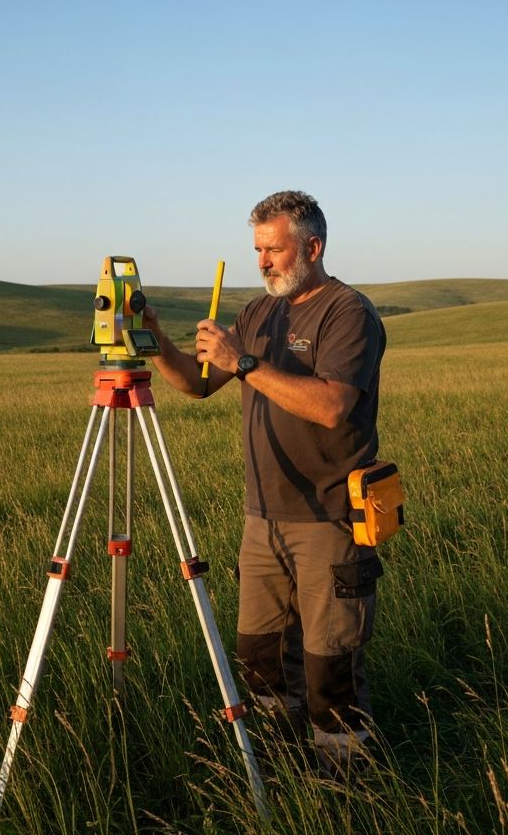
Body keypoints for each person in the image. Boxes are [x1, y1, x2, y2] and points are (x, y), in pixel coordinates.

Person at [142, 189, 386, 777]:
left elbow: (332, 406)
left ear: (313, 246)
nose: (263, 262)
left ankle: (348, 798)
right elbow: (198, 384)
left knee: (331, 671)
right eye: (257, 250)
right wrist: (147, 336)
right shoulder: (258, 312)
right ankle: (278, 779)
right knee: (262, 665)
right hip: (263, 523)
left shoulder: (348, 312)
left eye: (273, 249)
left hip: (329, 521)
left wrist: (244, 363)